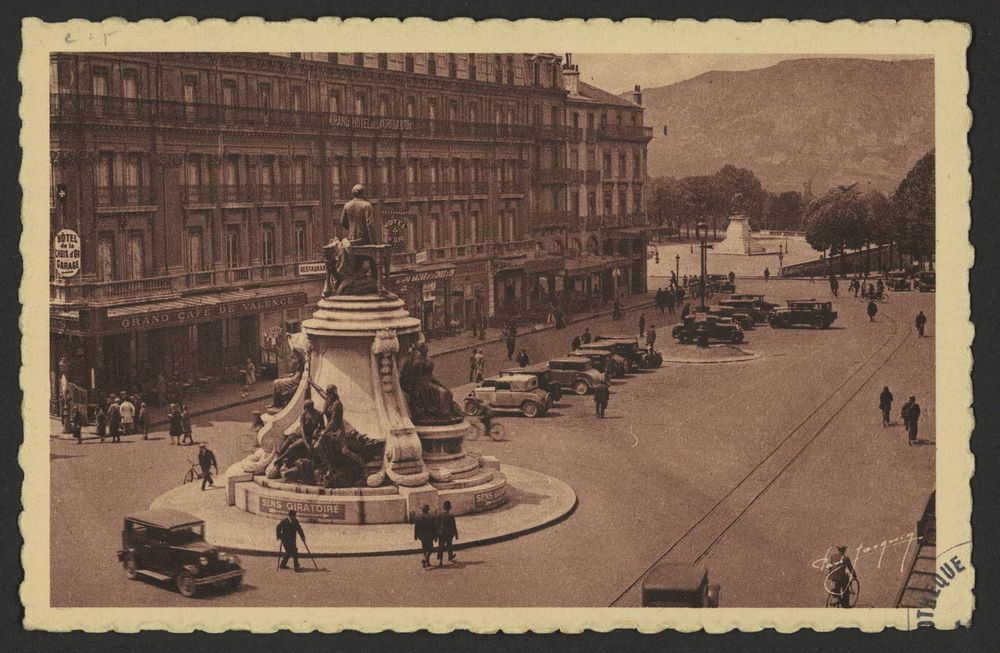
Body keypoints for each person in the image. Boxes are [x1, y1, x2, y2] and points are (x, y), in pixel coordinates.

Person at [414, 503, 438, 570]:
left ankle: (426, 563)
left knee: (425, 549)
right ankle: (425, 559)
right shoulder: (431, 517)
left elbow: (416, 527)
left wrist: (416, 535)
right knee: (430, 548)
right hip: (429, 535)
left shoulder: (418, 517)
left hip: (422, 536)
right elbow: (434, 527)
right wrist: (435, 536)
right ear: (428, 510)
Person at [436, 500, 458, 566]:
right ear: (449, 508)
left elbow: (436, 524)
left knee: (440, 546)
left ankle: (440, 560)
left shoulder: (440, 515)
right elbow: (453, 526)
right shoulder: (451, 516)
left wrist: (436, 533)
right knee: (449, 545)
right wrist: (456, 534)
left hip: (441, 533)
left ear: (443, 507)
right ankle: (450, 556)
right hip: (448, 533)